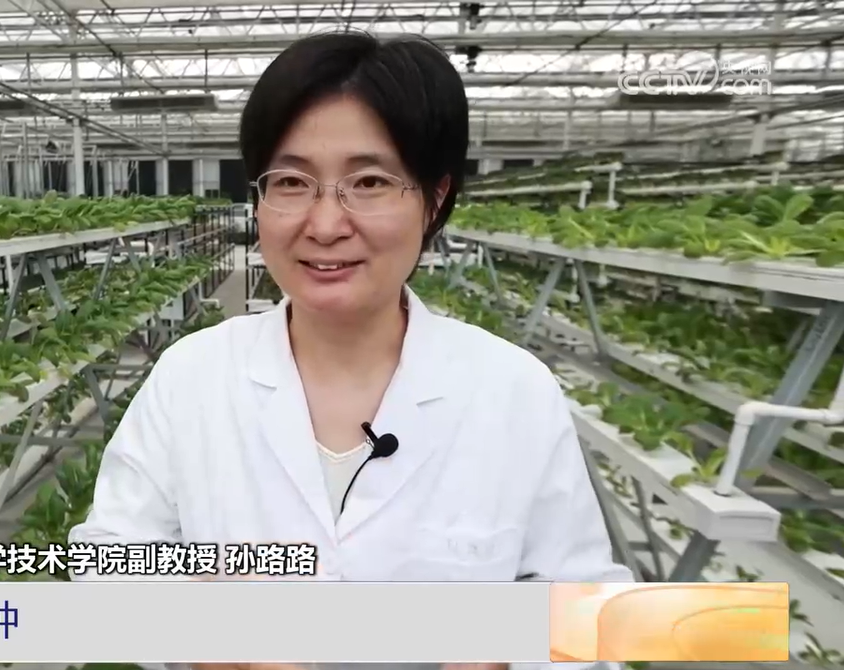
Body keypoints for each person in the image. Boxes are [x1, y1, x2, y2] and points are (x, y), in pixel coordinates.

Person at [70, 29, 633, 670]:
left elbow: (592, 610)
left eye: (369, 182)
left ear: (435, 199)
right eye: (291, 182)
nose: (326, 224)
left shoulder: (513, 390)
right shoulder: (192, 377)